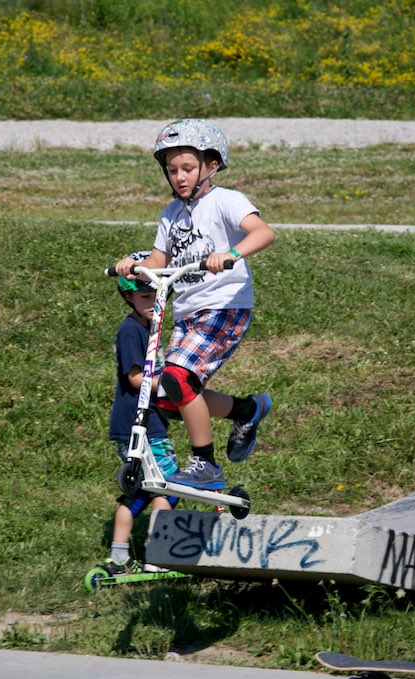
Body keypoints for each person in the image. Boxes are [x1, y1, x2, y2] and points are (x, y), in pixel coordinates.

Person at [115, 118, 275, 491]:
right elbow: (158, 262)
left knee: (177, 380)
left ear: (211, 165)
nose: (179, 177)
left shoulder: (226, 200)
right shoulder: (171, 214)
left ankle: (205, 464)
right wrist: (133, 266)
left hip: (224, 306)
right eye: (172, 170)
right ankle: (247, 409)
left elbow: (264, 232)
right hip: (188, 312)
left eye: (187, 168)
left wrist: (231, 254)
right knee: (170, 397)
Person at [103, 252, 180, 574]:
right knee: (169, 485)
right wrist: (174, 387)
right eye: (145, 297)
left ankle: (119, 557)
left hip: (142, 422)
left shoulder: (148, 327)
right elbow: (136, 378)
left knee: (142, 491)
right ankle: (159, 556)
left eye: (157, 295)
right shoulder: (132, 330)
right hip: (141, 424)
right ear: (129, 297)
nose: (152, 302)